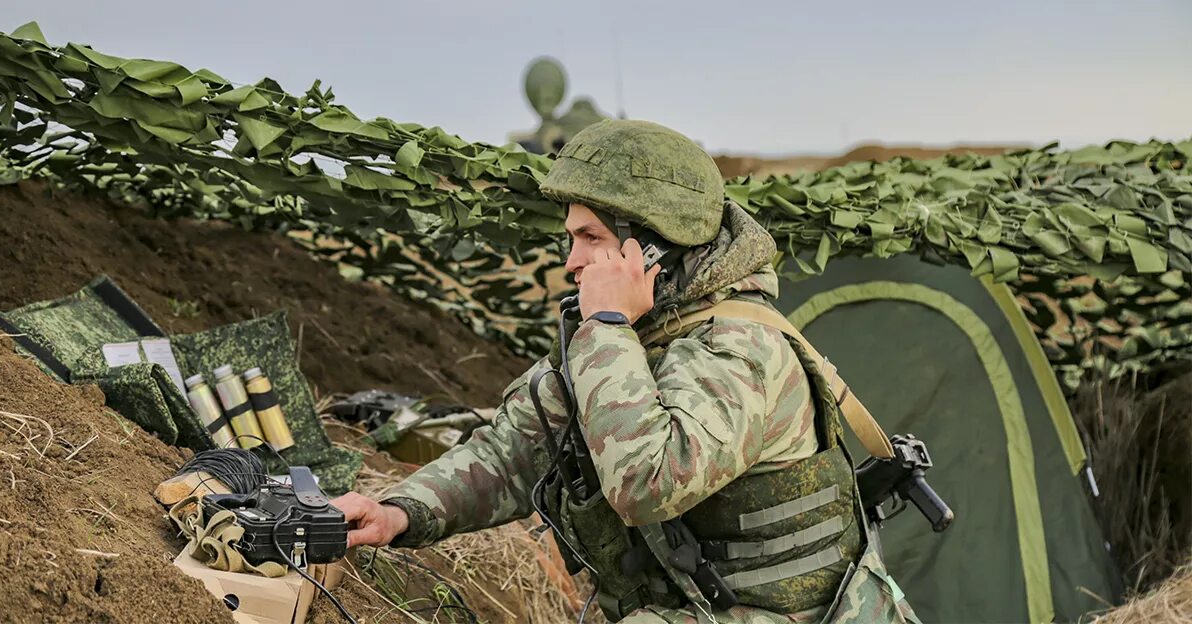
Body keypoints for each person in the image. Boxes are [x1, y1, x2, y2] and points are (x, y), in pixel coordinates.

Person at [333, 120, 919, 623]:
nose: (572, 261)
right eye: (572, 238)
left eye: (591, 238)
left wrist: (607, 325)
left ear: (655, 248)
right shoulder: (637, 336)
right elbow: (520, 449)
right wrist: (398, 512)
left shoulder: (739, 351)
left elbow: (649, 483)